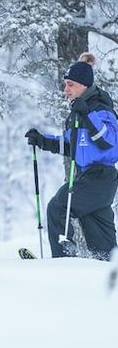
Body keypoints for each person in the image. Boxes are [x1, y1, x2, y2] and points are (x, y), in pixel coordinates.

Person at [25, 52, 118, 260]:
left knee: (58, 207)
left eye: (70, 85)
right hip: (87, 177)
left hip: (101, 177)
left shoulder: (102, 110)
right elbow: (71, 146)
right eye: (65, 84)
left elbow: (108, 142)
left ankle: (65, 260)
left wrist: (87, 114)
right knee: (102, 245)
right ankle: (109, 269)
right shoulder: (76, 113)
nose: (66, 90)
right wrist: (42, 140)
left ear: (84, 85)